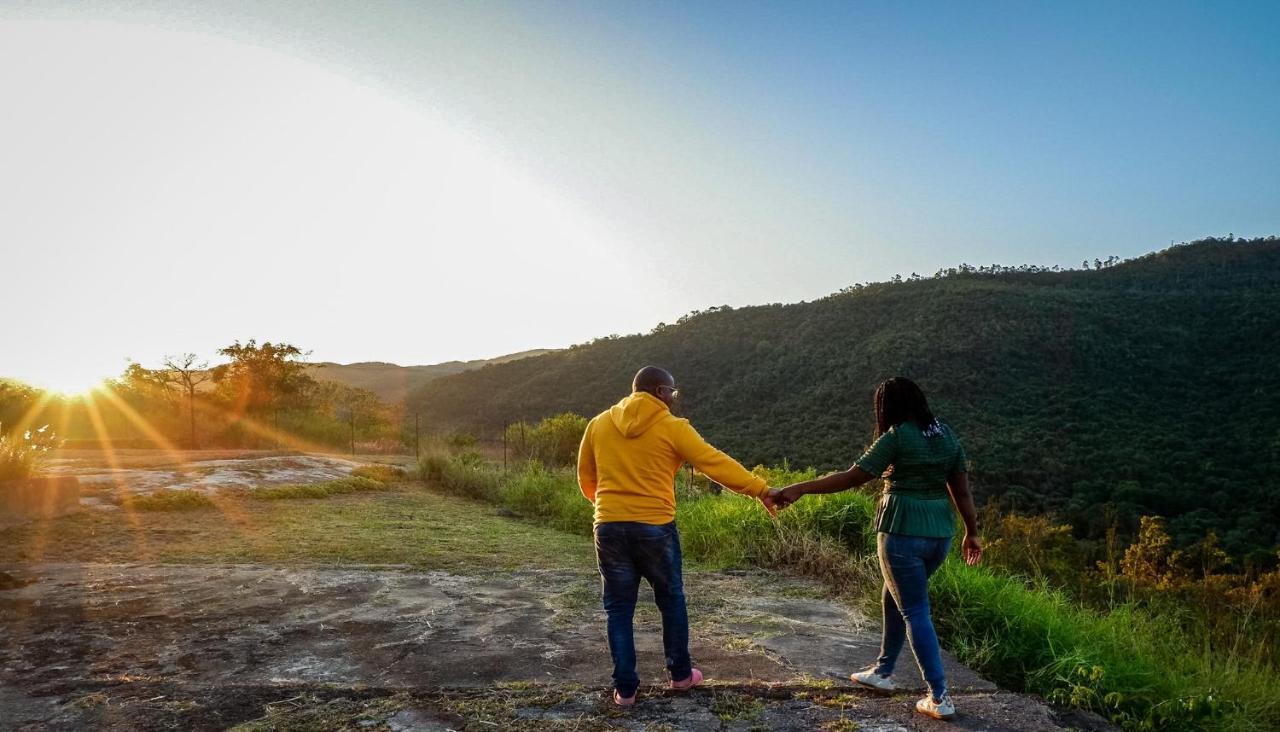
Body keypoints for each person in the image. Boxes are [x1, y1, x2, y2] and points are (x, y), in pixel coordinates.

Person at [775, 377, 981, 722]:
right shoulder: (946, 434)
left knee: (915, 610)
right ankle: (883, 671)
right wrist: (972, 532)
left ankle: (939, 695)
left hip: (902, 531)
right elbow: (961, 491)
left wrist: (800, 488)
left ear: (888, 407)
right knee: (895, 596)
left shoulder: (897, 436)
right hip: (940, 534)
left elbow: (853, 476)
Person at [577, 366, 780, 706]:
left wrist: (611, 507)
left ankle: (625, 690)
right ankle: (681, 676)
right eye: (672, 392)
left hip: (608, 525)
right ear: (659, 391)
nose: (674, 398)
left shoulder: (598, 424)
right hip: (655, 527)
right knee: (670, 600)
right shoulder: (672, 427)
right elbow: (714, 463)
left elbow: (586, 478)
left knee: (618, 609)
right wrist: (761, 489)